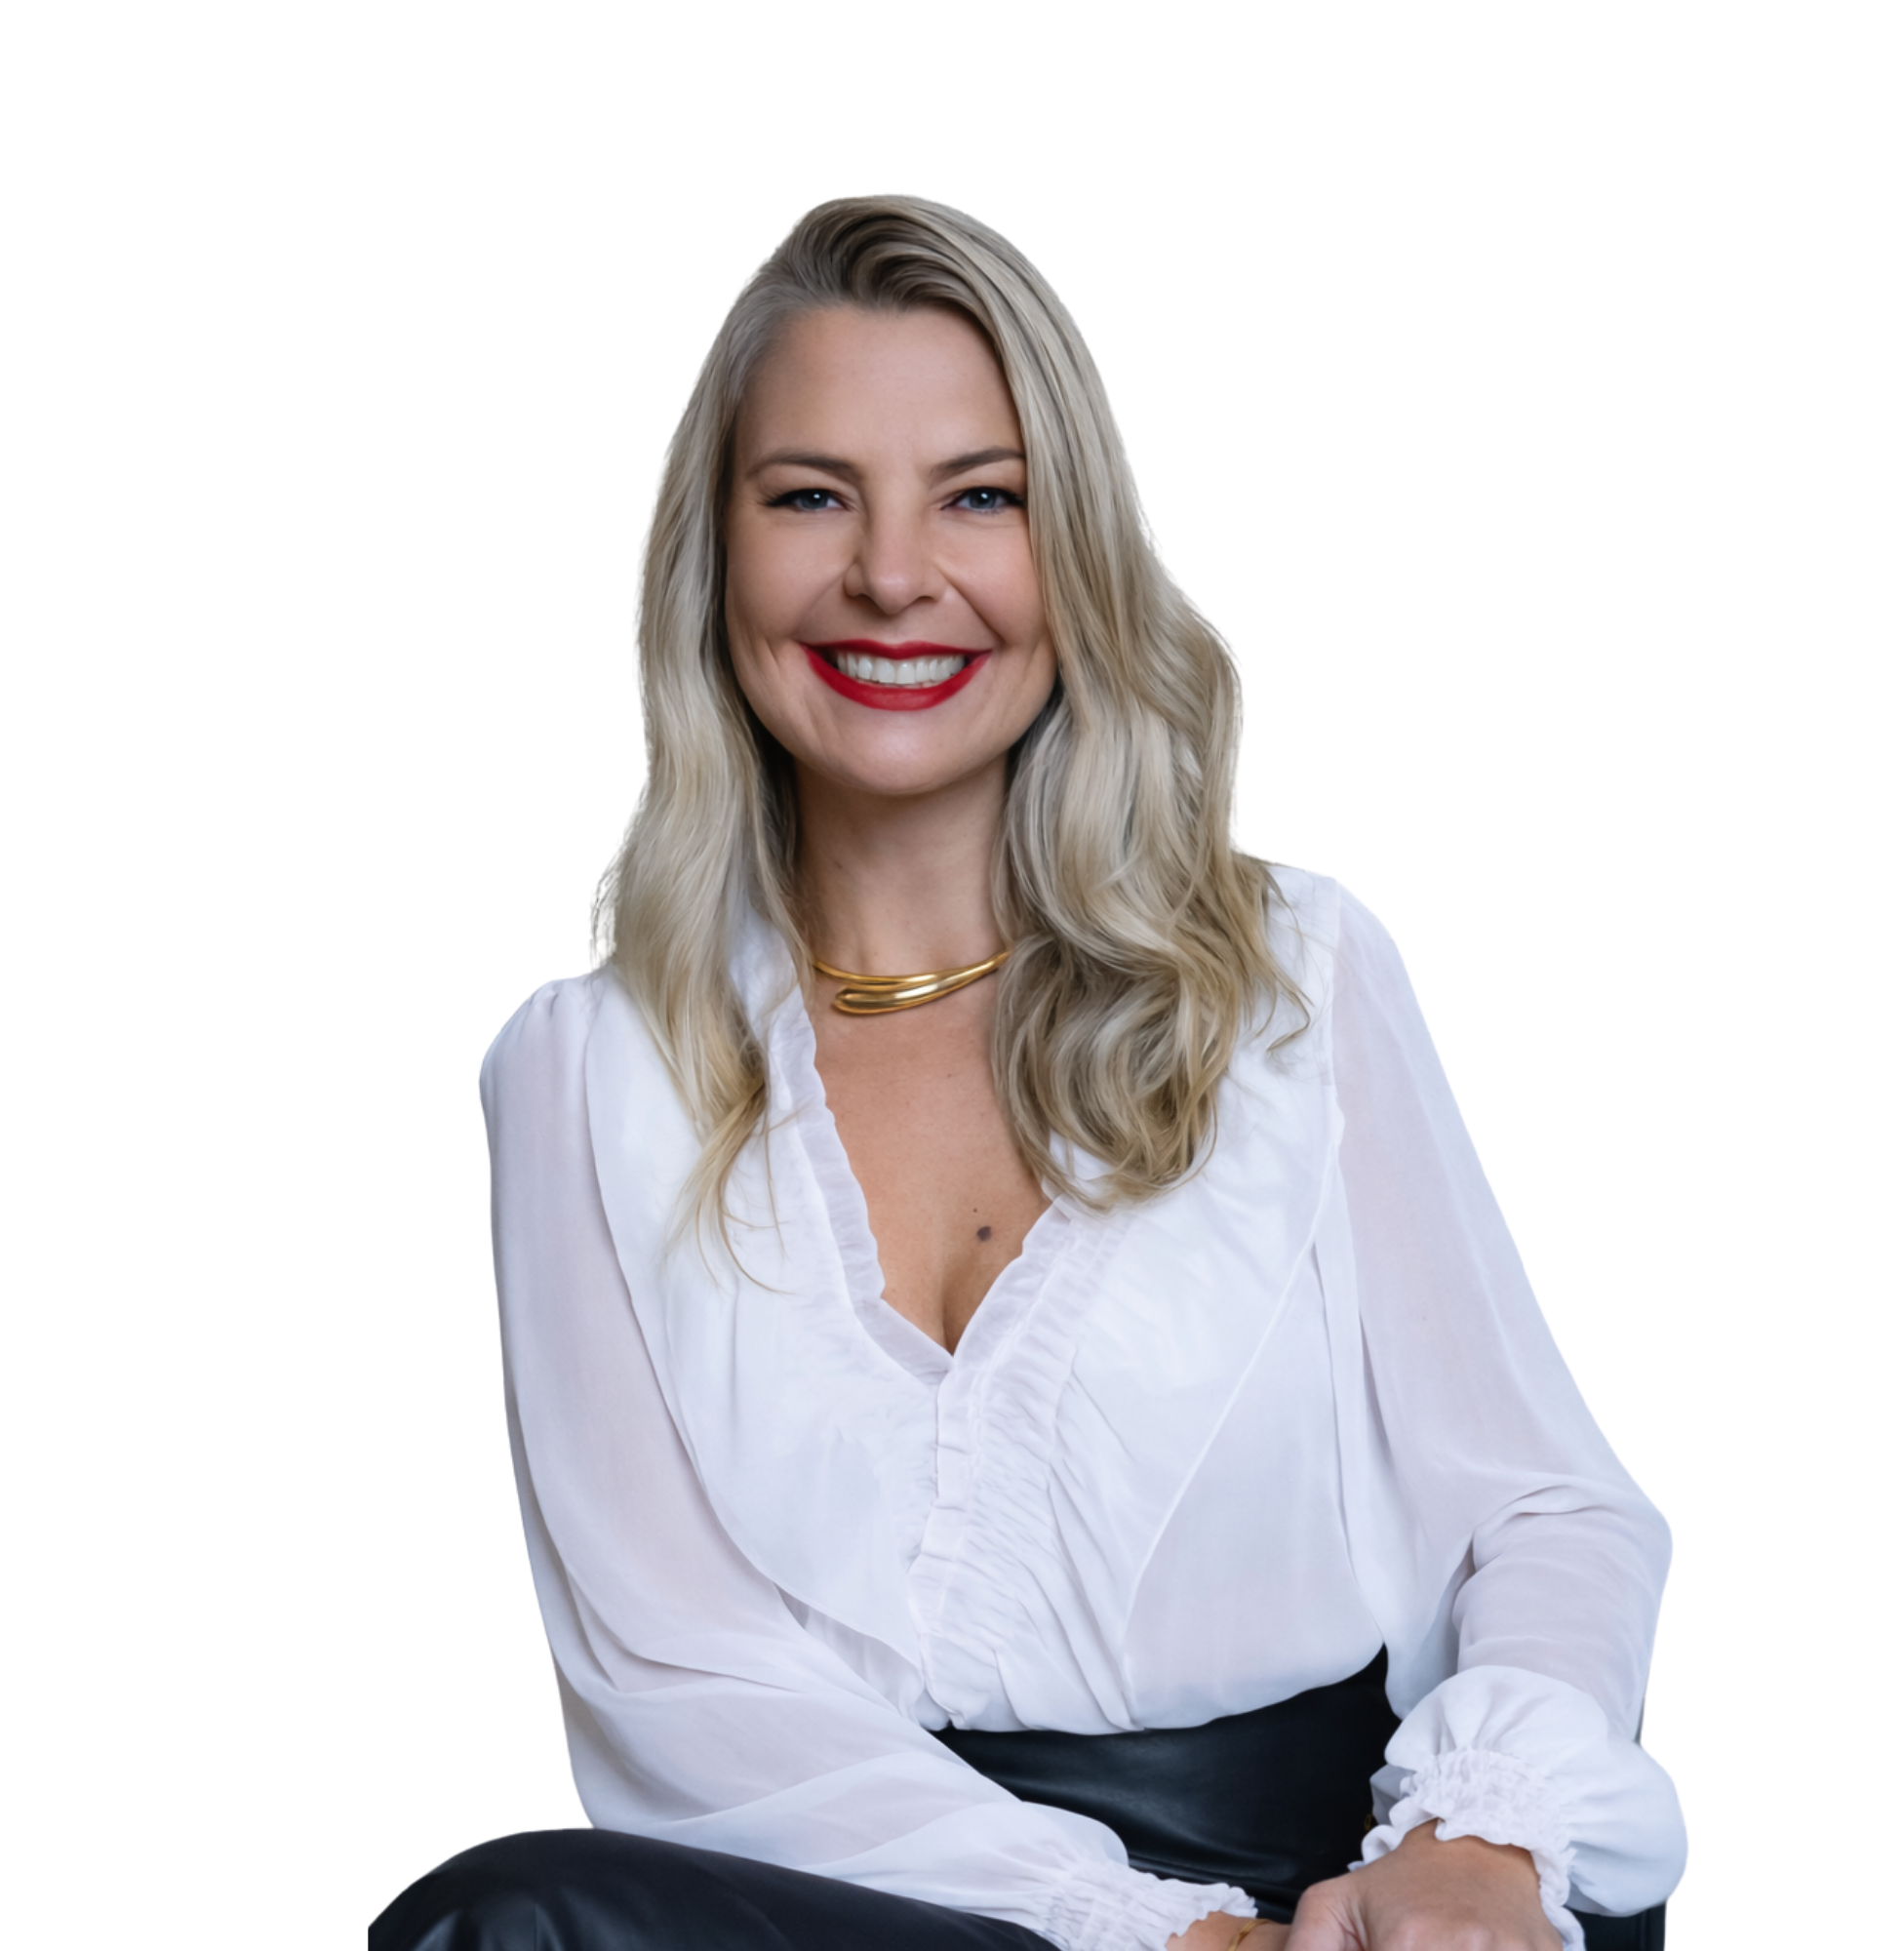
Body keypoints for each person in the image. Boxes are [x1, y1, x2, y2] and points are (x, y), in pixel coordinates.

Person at [371, 195, 1686, 1951]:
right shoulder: (582, 1071)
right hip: (882, 1907)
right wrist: (1156, 1936)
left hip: (1341, 1895)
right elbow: (673, 1683)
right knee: (503, 1922)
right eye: (811, 497)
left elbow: (1543, 1506)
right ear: (713, 559)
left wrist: (1475, 1842)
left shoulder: (1293, 974)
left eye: (979, 496)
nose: (891, 576)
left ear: (1075, 551)